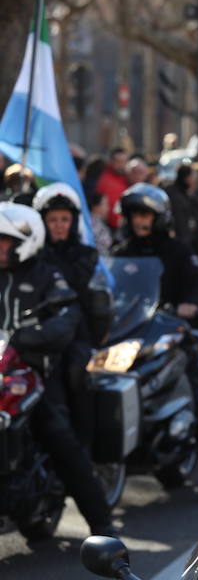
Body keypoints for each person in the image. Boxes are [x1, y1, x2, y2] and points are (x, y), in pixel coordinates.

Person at [0, 203, 116, 536]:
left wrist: (27, 337)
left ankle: (102, 524)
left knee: (59, 438)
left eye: (5, 241)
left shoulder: (47, 276)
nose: (0, 249)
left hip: (35, 375)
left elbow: (67, 319)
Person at [111, 184, 198, 501]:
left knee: (197, 397)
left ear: (159, 217)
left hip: (172, 332)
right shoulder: (123, 251)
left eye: (145, 214)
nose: (139, 221)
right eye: (135, 214)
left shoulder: (178, 250)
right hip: (132, 334)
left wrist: (191, 304)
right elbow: (111, 287)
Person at [33, 183, 113, 443]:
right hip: (33, 330)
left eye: (64, 219)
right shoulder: (31, 254)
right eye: (52, 219)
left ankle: (81, 446)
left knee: (75, 373)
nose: (58, 225)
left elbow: (81, 288)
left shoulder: (86, 255)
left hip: (74, 334)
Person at [96, 148, 130, 229]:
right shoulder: (105, 181)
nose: (121, 165)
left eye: (124, 161)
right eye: (118, 161)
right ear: (111, 162)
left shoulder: (126, 178)